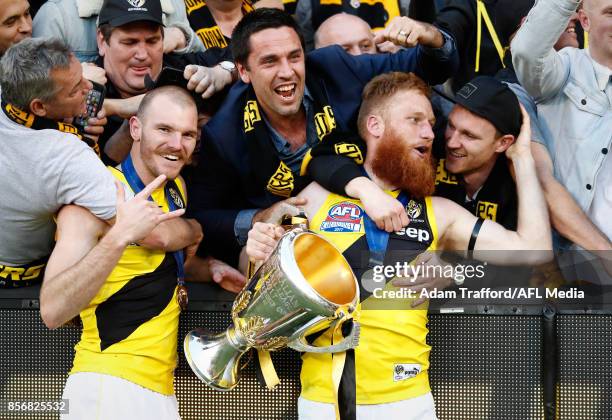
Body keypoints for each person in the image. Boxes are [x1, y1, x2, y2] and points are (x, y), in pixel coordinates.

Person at [245, 72, 551, 419]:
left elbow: (534, 250)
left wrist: (522, 157)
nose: (431, 134)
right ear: (375, 125)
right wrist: (254, 249)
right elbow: (254, 276)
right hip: (322, 402)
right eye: (415, 120)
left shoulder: (441, 211)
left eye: (432, 124)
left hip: (408, 403)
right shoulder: (315, 198)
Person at [188, 8, 459, 266]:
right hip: (293, 260)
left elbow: (429, 65)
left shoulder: (335, 68)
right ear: (244, 71)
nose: (287, 71)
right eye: (270, 61)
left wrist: (428, 34)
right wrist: (259, 218)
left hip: (379, 221)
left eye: (294, 57)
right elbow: (203, 217)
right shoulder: (225, 133)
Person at [40, 86, 204, 419]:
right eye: (165, 129)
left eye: (188, 134)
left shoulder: (176, 188)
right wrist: (120, 237)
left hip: (159, 389)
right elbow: (53, 310)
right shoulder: (95, 197)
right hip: (107, 386)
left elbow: (150, 265)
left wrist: (207, 264)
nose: (177, 144)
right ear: (135, 129)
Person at [0, 38, 116, 288]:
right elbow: (135, 225)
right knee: (83, 216)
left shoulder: (8, 90)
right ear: (39, 107)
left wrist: (121, 108)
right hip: (25, 279)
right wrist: (192, 230)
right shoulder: (66, 155)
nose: (89, 86)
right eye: (76, 89)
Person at [512, 0, 611, 263]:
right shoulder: (565, 69)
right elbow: (526, 52)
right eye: (611, 13)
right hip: (566, 264)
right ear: (585, 21)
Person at [91, 0, 237, 165]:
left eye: (152, 41)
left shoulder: (180, 68)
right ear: (102, 41)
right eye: (129, 42)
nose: (142, 54)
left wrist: (224, 71)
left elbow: (246, 51)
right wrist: (116, 107)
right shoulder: (87, 89)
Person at [435, 76, 522, 229]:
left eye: (469, 135)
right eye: (451, 125)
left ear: (503, 143)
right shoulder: (428, 142)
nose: (451, 142)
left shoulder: (516, 189)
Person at [32, 0, 203, 63]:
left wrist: (184, 37)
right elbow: (37, 89)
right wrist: (80, 75)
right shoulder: (57, 15)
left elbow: (203, 62)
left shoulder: (172, 4)